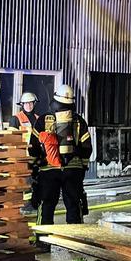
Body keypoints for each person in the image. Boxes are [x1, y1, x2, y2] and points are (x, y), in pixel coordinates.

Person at [30, 84, 92, 226]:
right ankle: (75, 243)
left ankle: (43, 242)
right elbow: (87, 147)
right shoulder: (79, 121)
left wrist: (34, 168)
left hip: (48, 170)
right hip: (73, 169)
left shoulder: (42, 120)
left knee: (46, 205)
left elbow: (33, 147)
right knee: (74, 206)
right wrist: (82, 167)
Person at [10, 92, 42, 212]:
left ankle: (34, 204)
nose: (28, 105)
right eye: (26, 103)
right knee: (26, 183)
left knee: (36, 181)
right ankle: (25, 206)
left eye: (30, 103)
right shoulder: (16, 119)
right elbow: (11, 139)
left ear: (34, 103)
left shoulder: (39, 119)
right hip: (23, 157)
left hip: (37, 156)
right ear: (21, 104)